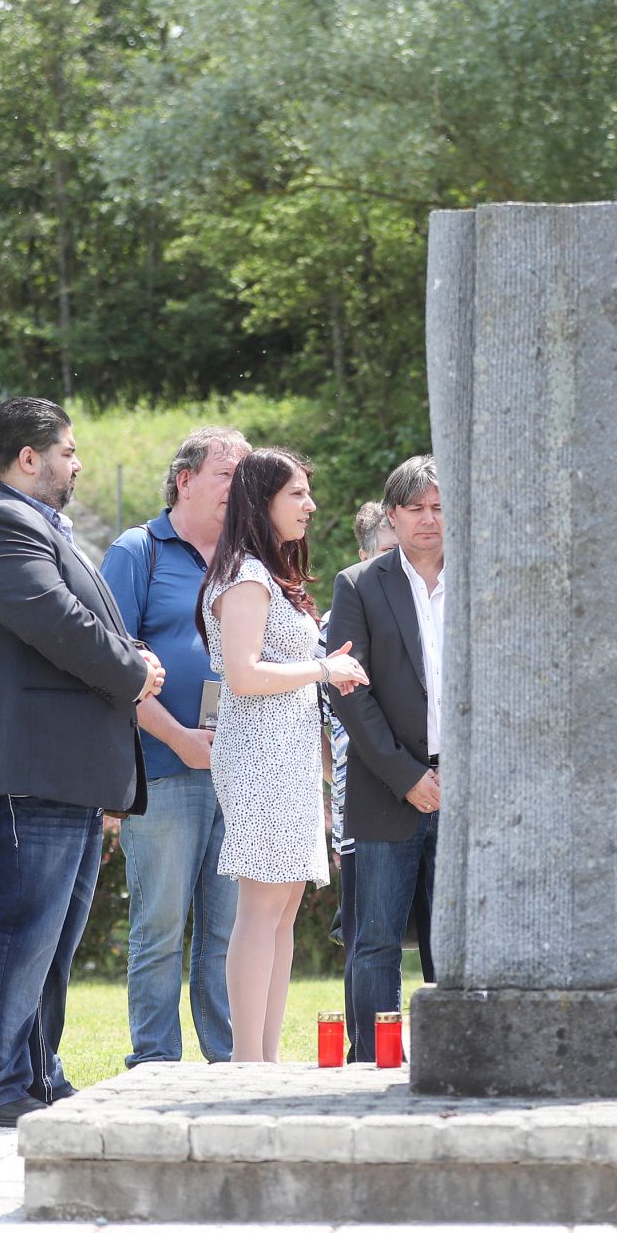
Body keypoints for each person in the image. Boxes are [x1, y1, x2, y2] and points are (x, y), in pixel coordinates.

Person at [0, 397, 164, 1126]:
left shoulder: (26, 524)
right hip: (23, 773)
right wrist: (132, 670)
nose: (77, 462)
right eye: (67, 450)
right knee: (20, 930)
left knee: (49, 945)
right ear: (27, 458)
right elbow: (59, 624)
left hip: (56, 775)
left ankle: (35, 1079)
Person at [198, 448, 367, 1062]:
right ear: (262, 500)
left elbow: (280, 670)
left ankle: (266, 1057)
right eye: (297, 494)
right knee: (262, 902)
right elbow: (242, 675)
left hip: (289, 755)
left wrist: (322, 674)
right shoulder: (244, 574)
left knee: (285, 905)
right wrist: (322, 666)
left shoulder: (270, 574)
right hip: (258, 755)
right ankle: (248, 1060)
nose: (310, 505)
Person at [101, 427, 250, 1068]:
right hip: (163, 771)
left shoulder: (248, 558)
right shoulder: (138, 552)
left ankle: (228, 1061)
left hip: (241, 774)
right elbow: (108, 667)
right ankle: (155, 1065)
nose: (238, 487)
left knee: (225, 935)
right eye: (226, 474)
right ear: (185, 479)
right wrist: (183, 740)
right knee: (160, 931)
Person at [326, 455, 443, 1063]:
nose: (429, 520)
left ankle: (456, 1059)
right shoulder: (360, 584)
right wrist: (407, 776)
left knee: (456, 945)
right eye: (415, 509)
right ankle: (373, 1062)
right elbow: (350, 695)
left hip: (465, 787)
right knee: (373, 940)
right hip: (383, 784)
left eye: (439, 508)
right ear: (392, 517)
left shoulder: (482, 580)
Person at [322, 501, 399, 948]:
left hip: (429, 793)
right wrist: (339, 787)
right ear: (365, 557)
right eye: (388, 552)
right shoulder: (334, 627)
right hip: (360, 807)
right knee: (368, 941)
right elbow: (321, 727)